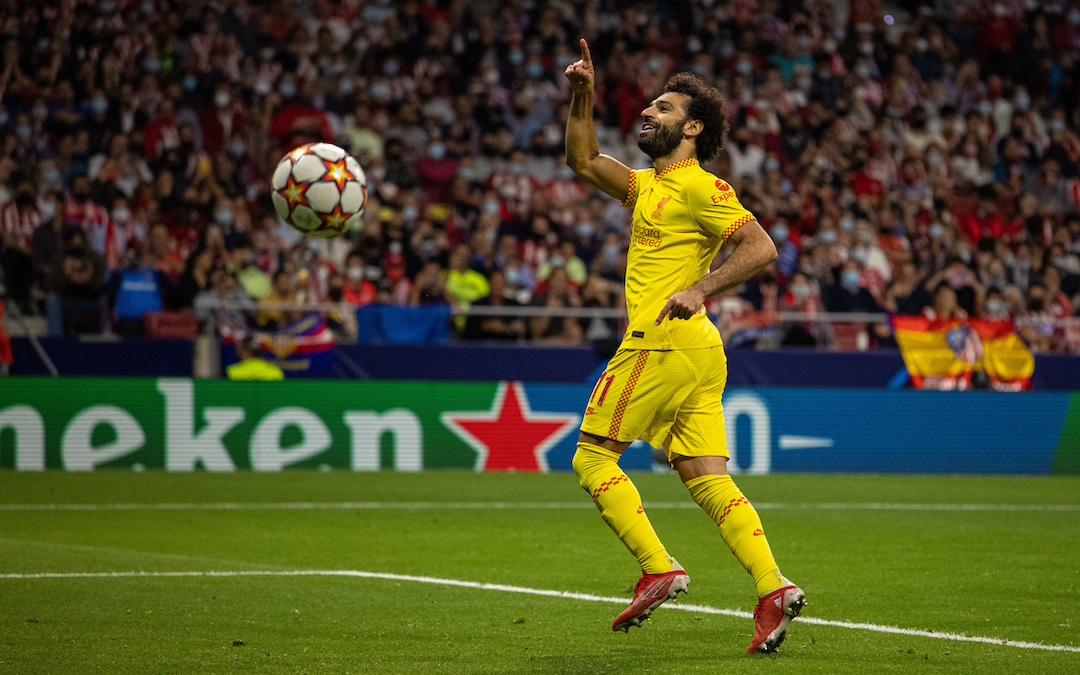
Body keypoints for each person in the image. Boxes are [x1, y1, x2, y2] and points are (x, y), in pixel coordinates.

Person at [563, 40, 804, 653]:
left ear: (692, 127)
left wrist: (702, 285)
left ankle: (659, 567)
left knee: (592, 460)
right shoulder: (648, 186)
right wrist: (584, 95)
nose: (649, 112)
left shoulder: (701, 187)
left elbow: (761, 248)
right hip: (696, 352)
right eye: (649, 105)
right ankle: (773, 587)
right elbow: (585, 160)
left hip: (662, 342)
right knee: (705, 477)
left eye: (663, 108)